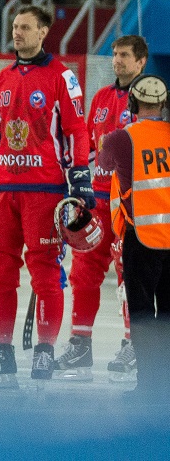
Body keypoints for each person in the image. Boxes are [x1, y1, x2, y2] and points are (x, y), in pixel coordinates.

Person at [0, 6, 90, 384]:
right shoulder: (4, 76)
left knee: (45, 273)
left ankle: (43, 353)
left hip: (45, 190)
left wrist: (80, 175)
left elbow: (76, 129)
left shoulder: (62, 76)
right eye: (14, 27)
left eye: (25, 27)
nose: (17, 33)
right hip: (4, 189)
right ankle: (2, 352)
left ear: (43, 32)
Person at [56, 35, 147, 379]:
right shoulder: (101, 97)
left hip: (130, 203)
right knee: (83, 273)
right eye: (115, 55)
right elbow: (90, 150)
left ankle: (133, 344)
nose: (117, 61)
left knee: (130, 277)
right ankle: (80, 345)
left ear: (141, 62)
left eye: (125, 56)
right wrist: (81, 193)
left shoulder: (152, 102)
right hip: (97, 197)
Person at [101, 74, 170, 400]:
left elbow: (102, 163)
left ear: (132, 103)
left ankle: (149, 388)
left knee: (142, 314)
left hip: (141, 237)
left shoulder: (121, 139)